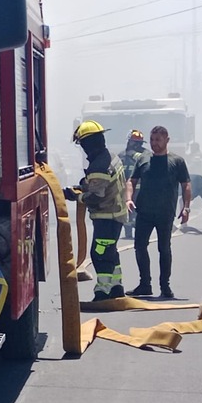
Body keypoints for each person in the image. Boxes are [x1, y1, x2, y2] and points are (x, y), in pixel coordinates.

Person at [128, 125, 194, 299]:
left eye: (158, 140)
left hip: (166, 213)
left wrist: (186, 207)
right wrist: (129, 198)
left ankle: (165, 286)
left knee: (164, 248)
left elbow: (186, 185)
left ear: (167, 140)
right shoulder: (143, 159)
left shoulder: (176, 161)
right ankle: (145, 284)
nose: (154, 143)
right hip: (144, 212)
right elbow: (131, 181)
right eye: (152, 140)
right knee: (140, 247)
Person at [69, 120, 127, 301]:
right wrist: (84, 184)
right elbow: (103, 183)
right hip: (116, 214)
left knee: (99, 253)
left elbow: (97, 196)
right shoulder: (109, 156)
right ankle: (117, 286)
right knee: (110, 250)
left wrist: (75, 197)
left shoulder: (98, 165)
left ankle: (103, 290)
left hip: (106, 216)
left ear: (87, 144)